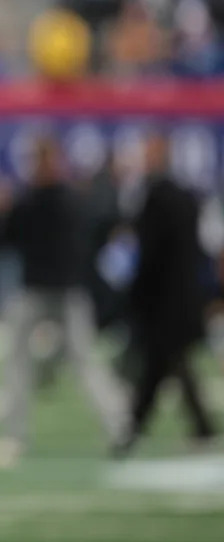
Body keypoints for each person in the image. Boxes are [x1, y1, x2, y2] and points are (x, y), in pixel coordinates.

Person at [0, 137, 128, 468]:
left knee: (58, 361)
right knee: (68, 361)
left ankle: (118, 425)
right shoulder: (68, 199)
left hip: (48, 290)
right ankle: (118, 426)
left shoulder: (33, 200)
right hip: (54, 289)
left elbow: (5, 238)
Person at [116, 134, 217, 455]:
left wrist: (134, 292)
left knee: (157, 366)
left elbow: (150, 255)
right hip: (184, 296)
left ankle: (131, 431)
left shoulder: (156, 198)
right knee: (171, 365)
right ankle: (200, 428)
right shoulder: (186, 196)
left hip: (163, 301)